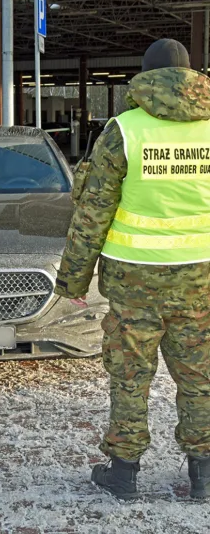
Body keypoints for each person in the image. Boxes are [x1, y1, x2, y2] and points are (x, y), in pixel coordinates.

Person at [55, 38, 210, 501]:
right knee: (200, 378)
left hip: (134, 280)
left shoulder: (124, 130)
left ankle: (123, 472)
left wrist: (73, 279)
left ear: (144, 76)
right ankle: (205, 474)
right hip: (201, 279)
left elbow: (93, 211)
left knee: (129, 377)